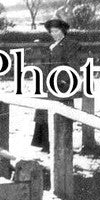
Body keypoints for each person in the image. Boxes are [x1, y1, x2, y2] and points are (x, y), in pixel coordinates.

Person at [31, 17, 82, 151]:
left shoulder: (70, 44)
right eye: (52, 32)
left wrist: (66, 80)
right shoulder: (52, 46)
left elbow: (73, 65)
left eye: (57, 31)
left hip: (63, 84)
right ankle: (45, 144)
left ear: (63, 30)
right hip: (50, 83)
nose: (54, 34)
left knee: (58, 112)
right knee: (43, 110)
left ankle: (59, 144)